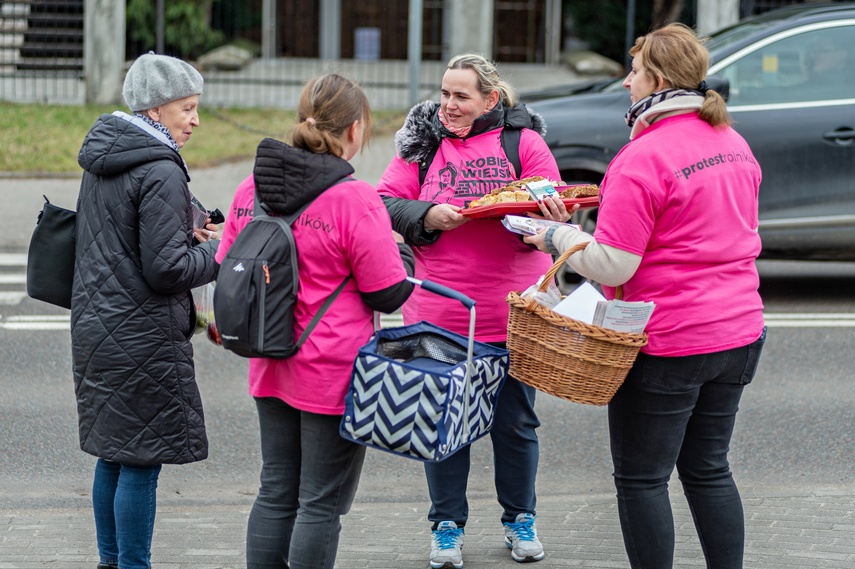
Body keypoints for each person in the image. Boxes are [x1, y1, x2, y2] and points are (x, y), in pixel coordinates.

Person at [525, 23, 766, 569]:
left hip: (669, 342)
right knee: (709, 469)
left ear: (656, 79)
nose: (627, 83)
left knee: (642, 479)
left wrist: (556, 236)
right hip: (739, 331)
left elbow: (614, 262)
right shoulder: (732, 142)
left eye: (633, 72)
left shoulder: (642, 157)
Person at [376, 53, 569, 568]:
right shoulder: (422, 144)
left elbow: (553, 208)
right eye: (444, 93)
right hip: (440, 314)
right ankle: (445, 527)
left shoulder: (522, 142)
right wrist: (427, 214)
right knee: (443, 423)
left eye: (461, 96)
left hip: (513, 312)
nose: (449, 105)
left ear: (491, 99)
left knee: (516, 424)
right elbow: (384, 203)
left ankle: (520, 519)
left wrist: (547, 217)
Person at [216, 73, 416, 569]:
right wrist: (406, 254)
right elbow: (387, 293)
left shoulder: (250, 187)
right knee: (320, 504)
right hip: (331, 374)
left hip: (268, 362)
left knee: (275, 491)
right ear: (353, 130)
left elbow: (226, 267)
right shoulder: (354, 199)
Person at [71, 52, 220, 569]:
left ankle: (111, 562)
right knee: (140, 461)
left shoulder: (107, 157)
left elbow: (121, 239)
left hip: (99, 325)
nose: (195, 120)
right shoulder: (159, 167)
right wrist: (218, 253)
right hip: (141, 333)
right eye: (187, 108)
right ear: (156, 110)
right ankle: (134, 565)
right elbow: (167, 271)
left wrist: (186, 228)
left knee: (115, 454)